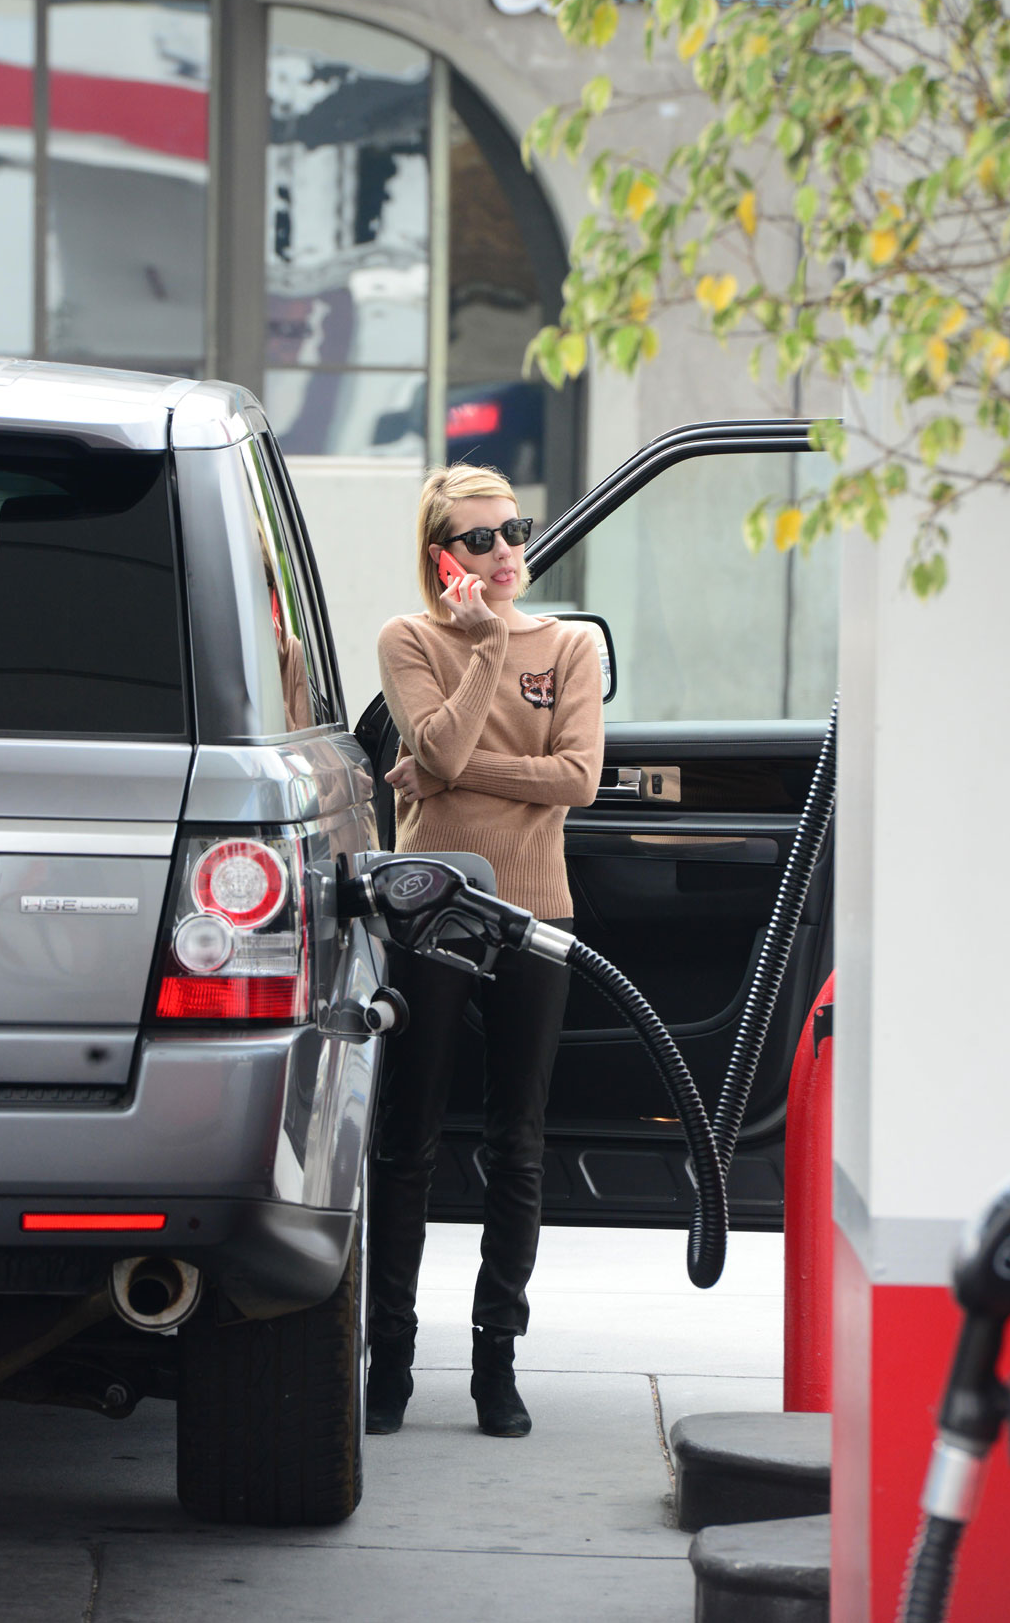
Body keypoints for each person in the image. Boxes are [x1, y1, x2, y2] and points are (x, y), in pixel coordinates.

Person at [367, 463, 604, 1438]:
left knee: (520, 1144)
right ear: (443, 557)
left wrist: (441, 771)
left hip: (538, 910)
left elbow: (579, 778)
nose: (507, 551)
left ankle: (495, 1361)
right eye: (480, 539)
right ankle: (389, 1360)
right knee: (407, 1139)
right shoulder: (409, 637)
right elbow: (448, 751)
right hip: (433, 907)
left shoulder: (575, 645)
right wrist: (486, 652)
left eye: (515, 530)